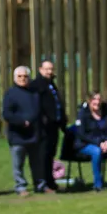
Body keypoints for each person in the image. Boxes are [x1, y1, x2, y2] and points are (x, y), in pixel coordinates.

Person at [2, 66, 46, 197]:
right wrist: (22, 122)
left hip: (34, 134)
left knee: (37, 163)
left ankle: (40, 185)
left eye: (25, 76)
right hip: (18, 135)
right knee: (18, 164)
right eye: (20, 76)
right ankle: (21, 187)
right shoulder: (10, 94)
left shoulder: (34, 93)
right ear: (15, 78)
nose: (23, 79)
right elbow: (7, 114)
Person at [74, 91, 107, 191]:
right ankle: (98, 184)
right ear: (89, 101)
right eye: (94, 99)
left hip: (105, 143)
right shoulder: (83, 114)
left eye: (99, 99)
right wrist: (99, 143)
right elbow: (82, 134)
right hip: (86, 144)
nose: (97, 102)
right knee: (96, 152)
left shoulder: (106, 112)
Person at [30, 60, 67, 192]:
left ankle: (51, 182)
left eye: (51, 69)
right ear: (40, 69)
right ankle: (43, 184)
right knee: (43, 155)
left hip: (53, 126)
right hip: (43, 127)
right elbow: (36, 106)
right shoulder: (37, 85)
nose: (49, 72)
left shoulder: (51, 84)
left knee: (50, 154)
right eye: (46, 69)